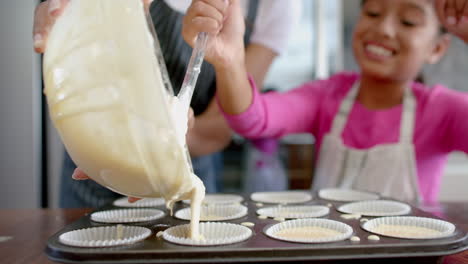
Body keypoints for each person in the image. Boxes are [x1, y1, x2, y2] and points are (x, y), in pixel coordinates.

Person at [183, 0, 468, 204]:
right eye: (372, 12)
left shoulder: (443, 110)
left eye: (408, 21)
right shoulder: (327, 95)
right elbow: (254, 118)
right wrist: (230, 62)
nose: (384, 29)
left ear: (437, 48)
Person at [33, 0, 300, 207]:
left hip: (188, 166)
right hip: (94, 159)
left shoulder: (274, 6)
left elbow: (218, 128)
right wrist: (70, 29)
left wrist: (160, 141)